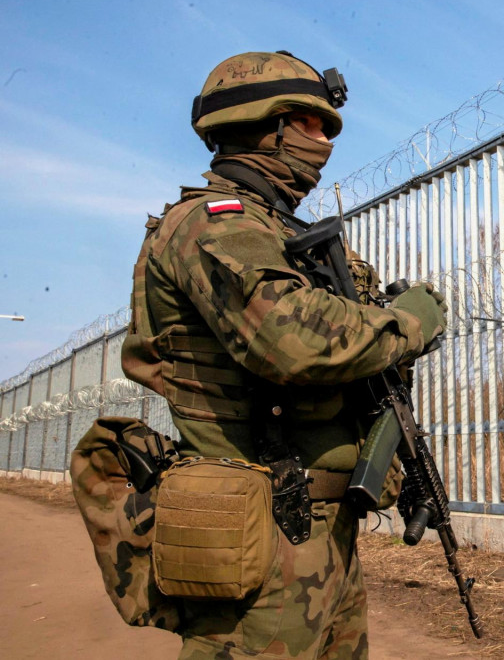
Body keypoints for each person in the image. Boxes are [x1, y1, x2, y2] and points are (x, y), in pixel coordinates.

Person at [121, 51, 447, 659]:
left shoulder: (280, 234)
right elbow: (294, 343)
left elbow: (355, 354)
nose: (325, 142)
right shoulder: (211, 223)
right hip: (262, 531)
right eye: (312, 124)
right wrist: (410, 323)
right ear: (261, 124)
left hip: (324, 530)